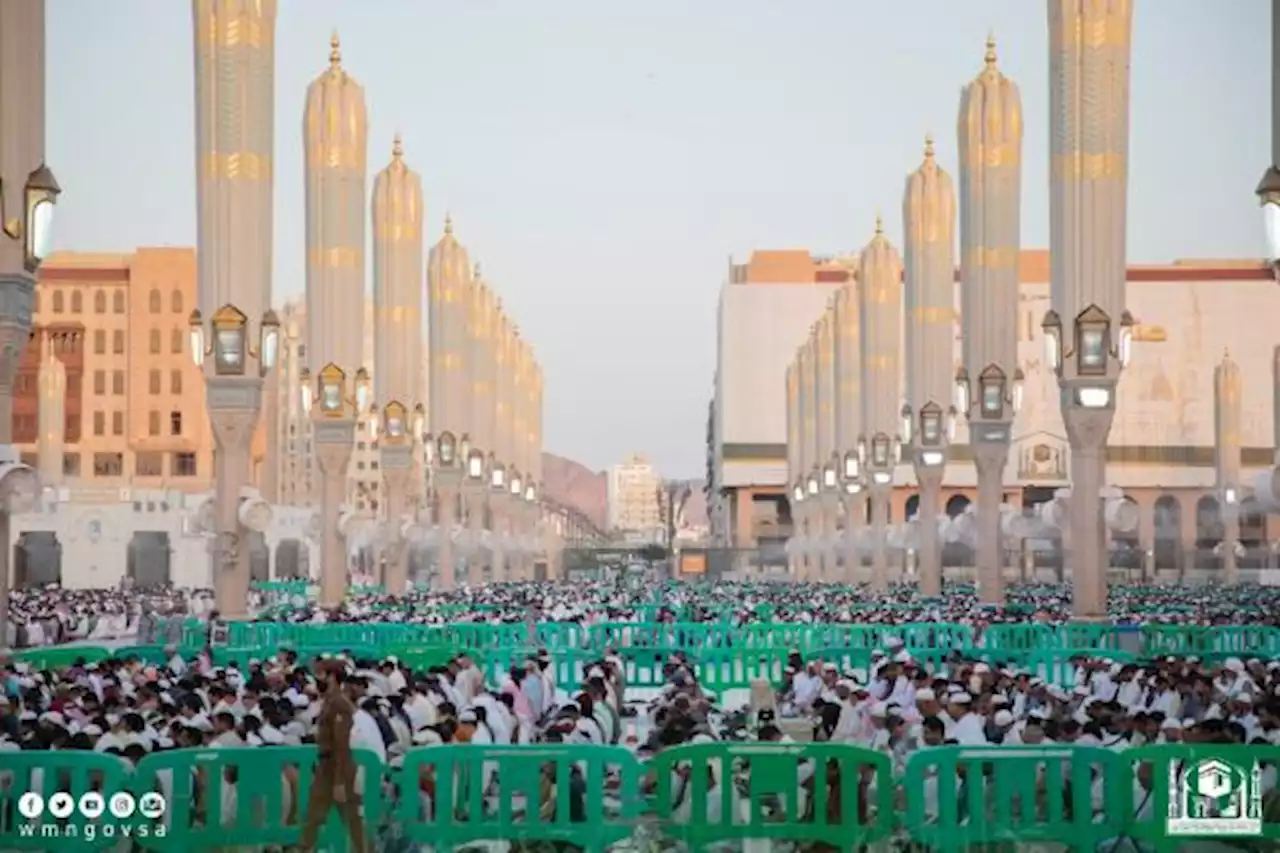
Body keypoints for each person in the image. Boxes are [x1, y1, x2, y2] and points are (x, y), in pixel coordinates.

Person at [299, 660, 367, 853]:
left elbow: (341, 744)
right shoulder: (330, 700)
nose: (316, 679)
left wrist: (338, 781)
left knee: (351, 820)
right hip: (327, 766)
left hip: (336, 769)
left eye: (320, 674)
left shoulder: (339, 703)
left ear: (332, 676)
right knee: (314, 818)